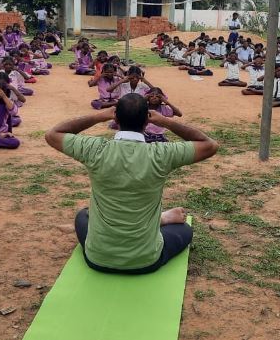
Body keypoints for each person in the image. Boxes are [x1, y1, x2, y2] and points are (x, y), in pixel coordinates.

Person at [44, 93, 219, 274]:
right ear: (147, 121)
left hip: (97, 257)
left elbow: (52, 134)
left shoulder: (95, 149)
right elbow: (210, 145)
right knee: (184, 230)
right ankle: (161, 219)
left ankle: (161, 219)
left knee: (82, 216)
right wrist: (165, 122)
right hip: (145, 260)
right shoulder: (161, 154)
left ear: (116, 119)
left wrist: (98, 116)